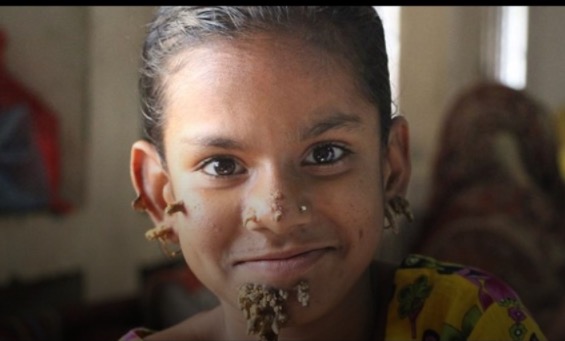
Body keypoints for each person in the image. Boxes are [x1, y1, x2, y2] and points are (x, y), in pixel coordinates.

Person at [120, 6, 547, 341]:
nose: (277, 212)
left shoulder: (471, 323)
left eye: (325, 153)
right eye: (221, 165)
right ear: (160, 195)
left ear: (390, 166)